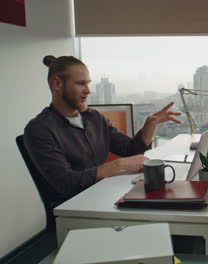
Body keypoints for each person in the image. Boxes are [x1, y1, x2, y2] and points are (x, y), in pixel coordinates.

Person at [24, 55, 181, 206]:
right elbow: (66, 183)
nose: (88, 90)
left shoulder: (94, 118)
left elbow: (131, 150)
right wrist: (117, 165)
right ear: (57, 84)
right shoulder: (39, 129)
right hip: (76, 207)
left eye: (88, 83)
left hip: (104, 196)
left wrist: (151, 124)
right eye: (80, 84)